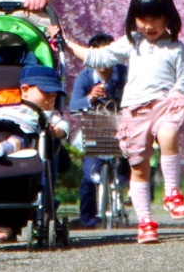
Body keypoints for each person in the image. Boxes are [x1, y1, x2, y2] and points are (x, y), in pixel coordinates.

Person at [53, 0, 184, 245]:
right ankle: (145, 222)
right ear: (134, 19)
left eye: (155, 18)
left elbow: (181, 82)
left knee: (168, 132)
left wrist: (175, 101)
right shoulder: (132, 43)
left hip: (164, 105)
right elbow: (99, 57)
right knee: (138, 169)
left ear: (168, 17)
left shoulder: (176, 48)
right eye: (143, 19)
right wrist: (67, 43)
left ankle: (172, 192)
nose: (149, 25)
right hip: (135, 112)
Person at [0, 65, 70, 244]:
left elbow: (64, 126)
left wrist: (57, 131)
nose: (50, 99)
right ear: (24, 91)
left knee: (17, 138)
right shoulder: (10, 106)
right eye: (46, 94)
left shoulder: (47, 114)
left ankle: (4, 148)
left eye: (54, 96)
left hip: (20, 138)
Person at [68, 32, 126, 228]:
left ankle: (127, 191)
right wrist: (91, 98)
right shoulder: (85, 77)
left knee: (133, 161)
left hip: (122, 128)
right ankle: (88, 219)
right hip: (95, 130)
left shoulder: (124, 74)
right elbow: (73, 106)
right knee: (89, 176)